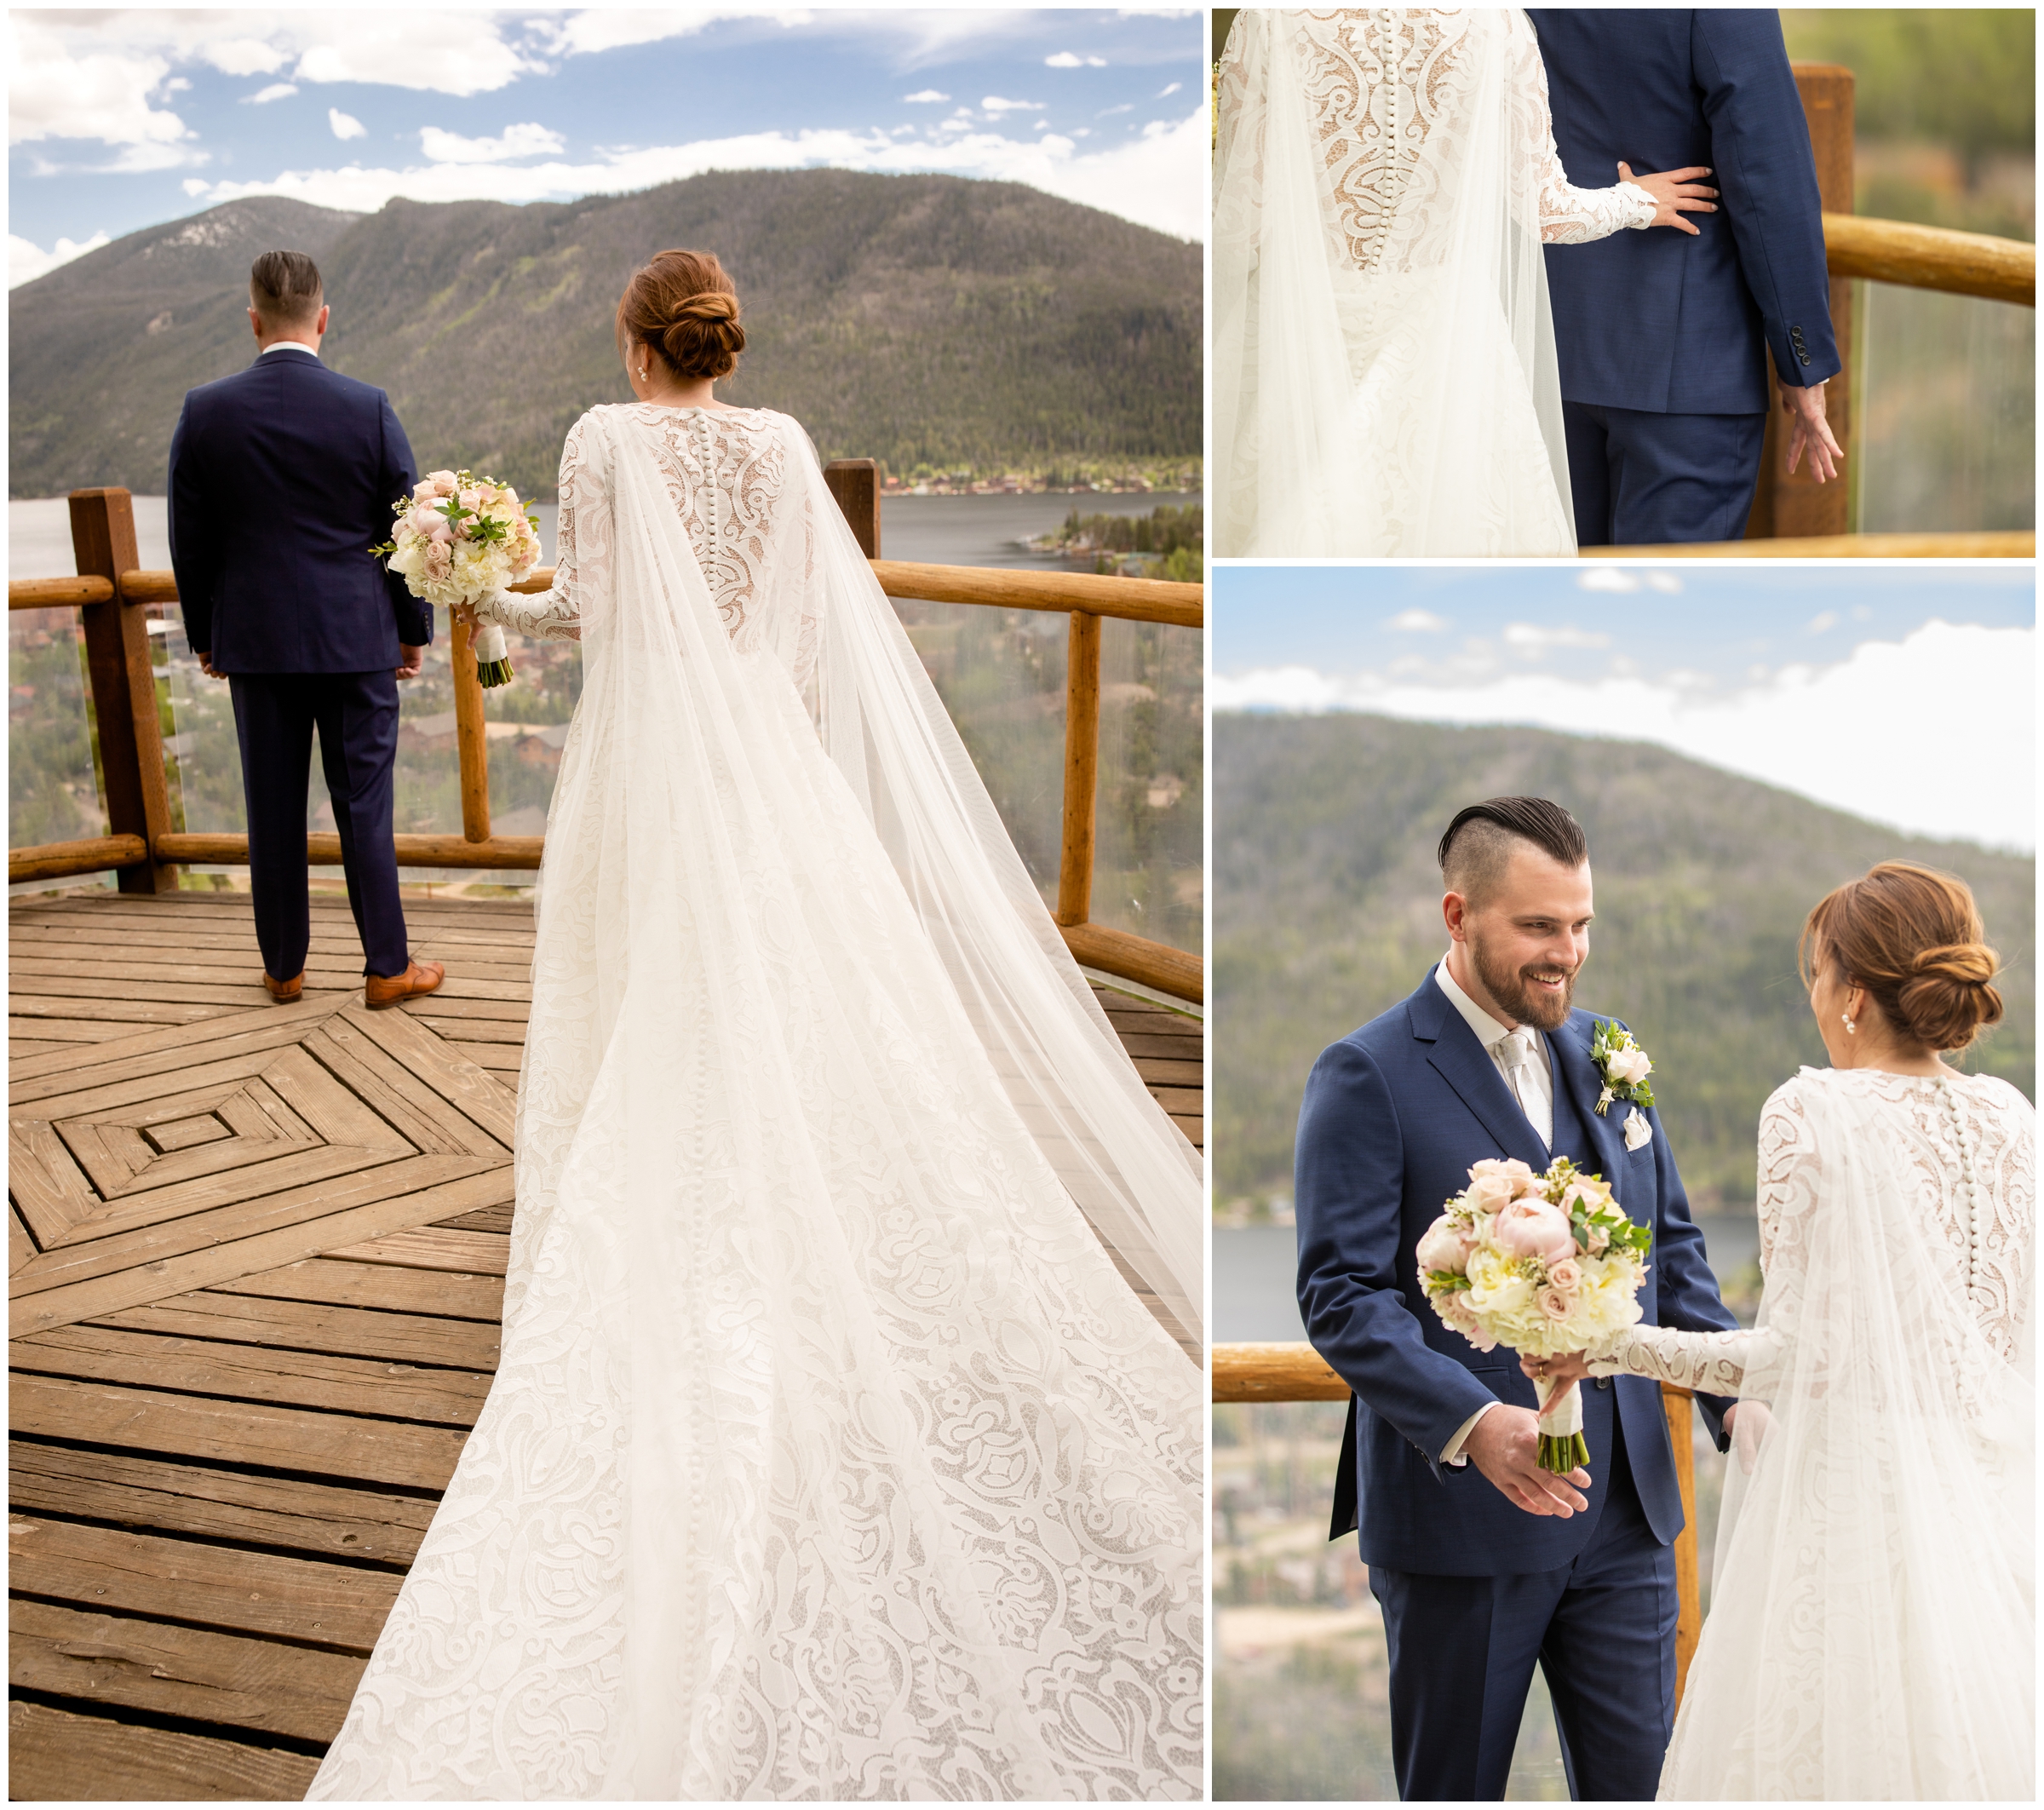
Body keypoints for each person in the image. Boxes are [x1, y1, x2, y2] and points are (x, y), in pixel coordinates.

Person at [304, 250, 1204, 1801]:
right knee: (790, 983)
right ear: (719, 340)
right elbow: (792, 620)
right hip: (763, 748)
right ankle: (799, 1183)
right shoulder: (784, 448)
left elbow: (586, 604)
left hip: (652, 759)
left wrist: (482, 586)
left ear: (630, 339)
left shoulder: (599, 440)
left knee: (652, 974)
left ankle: (661, 1191)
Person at [1530, 862, 2034, 1798]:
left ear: (1848, 993)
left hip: (1855, 1524)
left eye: (1815, 971)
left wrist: (1604, 1344)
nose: (1812, 992)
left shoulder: (1811, 1110)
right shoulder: (2012, 1116)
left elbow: (1785, 1359)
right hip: (1992, 1519)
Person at [1292, 796, 1742, 1801]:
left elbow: (1670, 1246)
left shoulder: (1607, 1052)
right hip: (1462, 1521)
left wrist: (1733, 1397)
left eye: (1581, 924)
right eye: (1540, 926)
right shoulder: (1366, 1072)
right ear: (1459, 916)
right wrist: (1471, 1420)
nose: (1567, 952)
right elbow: (1340, 1294)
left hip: (1625, 1510)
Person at [1213, 9, 1719, 556]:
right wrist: (1635, 202)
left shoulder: (1268, 19)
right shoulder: (1495, 23)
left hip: (1301, 335)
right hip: (1446, 340)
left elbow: (1241, 222)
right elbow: (1544, 209)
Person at [167, 250, 445, 1009]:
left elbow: (188, 542)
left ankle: (284, 968)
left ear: (253, 320)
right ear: (323, 319)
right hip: (356, 639)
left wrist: (206, 636)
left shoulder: (204, 410)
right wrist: (410, 627)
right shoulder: (368, 406)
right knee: (365, 804)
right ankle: (387, 966)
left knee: (273, 803)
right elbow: (408, 530)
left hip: (254, 643)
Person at [1528, 9, 1845, 546]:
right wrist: (1802, 360)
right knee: (1670, 617)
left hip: (1542, 345)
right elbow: (1767, 178)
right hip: (1690, 368)